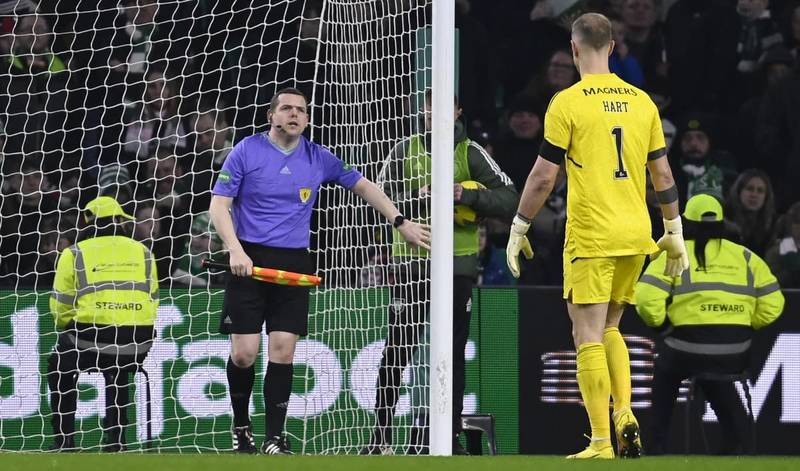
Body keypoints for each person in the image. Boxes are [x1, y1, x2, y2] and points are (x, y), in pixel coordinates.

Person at [506, 13, 689, 459]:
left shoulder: (568, 103)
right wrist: (673, 229)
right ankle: (625, 412)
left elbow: (542, 178)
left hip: (591, 234)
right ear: (611, 47)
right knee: (611, 328)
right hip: (635, 234)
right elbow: (662, 172)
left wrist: (519, 226)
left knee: (586, 334)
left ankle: (603, 441)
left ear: (573, 49)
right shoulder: (642, 101)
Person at [209, 87, 430, 455]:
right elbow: (219, 207)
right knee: (245, 353)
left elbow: (364, 186)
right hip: (248, 260)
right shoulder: (246, 150)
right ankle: (241, 428)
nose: (294, 115)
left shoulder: (318, 156)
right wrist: (235, 250)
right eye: (286, 109)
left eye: (301, 110)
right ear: (272, 116)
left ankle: (274, 439)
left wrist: (400, 221)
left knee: (282, 350)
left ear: (308, 119)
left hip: (294, 262)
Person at [361, 91, 518, 455]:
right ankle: (381, 437)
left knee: (452, 351)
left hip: (458, 266)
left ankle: (450, 436)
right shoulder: (404, 149)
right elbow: (378, 199)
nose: (435, 113)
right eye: (430, 107)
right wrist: (421, 197)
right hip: (412, 264)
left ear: (459, 111)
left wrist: (466, 195)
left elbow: (509, 198)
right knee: (398, 350)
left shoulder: (471, 152)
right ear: (423, 111)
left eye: (445, 107)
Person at [635, 194, 785, 455]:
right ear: (722, 224)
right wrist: (744, 326)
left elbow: (646, 300)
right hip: (735, 351)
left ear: (686, 223)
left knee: (668, 371)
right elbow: (775, 303)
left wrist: (663, 328)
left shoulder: (674, 255)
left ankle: (654, 446)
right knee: (714, 368)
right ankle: (735, 444)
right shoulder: (747, 258)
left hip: (685, 347)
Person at [47, 196, 159, 452]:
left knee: (59, 364)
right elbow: (153, 301)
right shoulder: (144, 252)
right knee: (118, 366)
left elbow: (60, 307)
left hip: (88, 339)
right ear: (120, 221)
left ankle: (65, 440)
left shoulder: (73, 253)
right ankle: (117, 438)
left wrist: (69, 326)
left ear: (88, 223)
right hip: (137, 343)